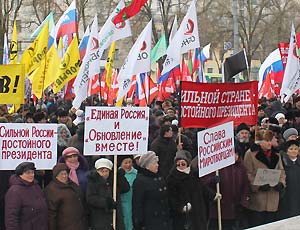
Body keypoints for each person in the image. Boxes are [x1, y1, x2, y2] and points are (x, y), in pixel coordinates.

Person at [167, 150, 219, 230]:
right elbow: (172, 198)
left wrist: (213, 195)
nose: (180, 165)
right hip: (185, 216)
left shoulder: (194, 174)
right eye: (178, 163)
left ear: (187, 163)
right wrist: (181, 207)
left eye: (183, 163)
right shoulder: (172, 178)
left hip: (198, 211)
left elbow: (202, 187)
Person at [244, 129, 286, 227]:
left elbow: (282, 171)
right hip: (258, 199)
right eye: (266, 140)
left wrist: (281, 183)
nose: (269, 143)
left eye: (270, 140)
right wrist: (258, 186)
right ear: (259, 142)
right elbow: (247, 173)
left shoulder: (276, 154)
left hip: (273, 198)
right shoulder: (250, 154)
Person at [132, 151, 173, 230]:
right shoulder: (140, 181)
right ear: (147, 166)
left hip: (165, 220)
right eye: (155, 163)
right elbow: (137, 204)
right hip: (150, 222)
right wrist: (139, 223)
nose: (157, 165)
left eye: (157, 163)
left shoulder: (160, 177)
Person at [86, 158, 130, 230]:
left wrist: (120, 176)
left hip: (116, 217)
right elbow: (90, 198)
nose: (104, 173)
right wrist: (106, 202)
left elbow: (125, 188)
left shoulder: (114, 180)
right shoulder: (93, 181)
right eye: (101, 171)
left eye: (106, 171)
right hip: (100, 218)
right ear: (97, 171)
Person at [5, 162, 48, 230]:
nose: (31, 175)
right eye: (28, 173)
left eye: (32, 172)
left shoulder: (36, 186)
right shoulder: (14, 191)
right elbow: (11, 218)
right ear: (20, 174)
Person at [44, 163, 88, 230]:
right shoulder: (51, 189)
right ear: (56, 176)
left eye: (65, 173)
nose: (64, 176)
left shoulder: (73, 184)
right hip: (64, 226)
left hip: (79, 224)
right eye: (61, 174)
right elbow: (51, 213)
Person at [278, 140, 300, 219]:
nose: (294, 151)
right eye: (291, 149)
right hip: (287, 195)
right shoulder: (282, 163)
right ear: (286, 151)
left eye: (295, 149)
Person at [119, 155, 138, 230]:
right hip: (122, 202)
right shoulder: (116, 174)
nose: (128, 165)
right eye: (125, 163)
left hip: (133, 201)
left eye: (130, 162)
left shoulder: (136, 174)